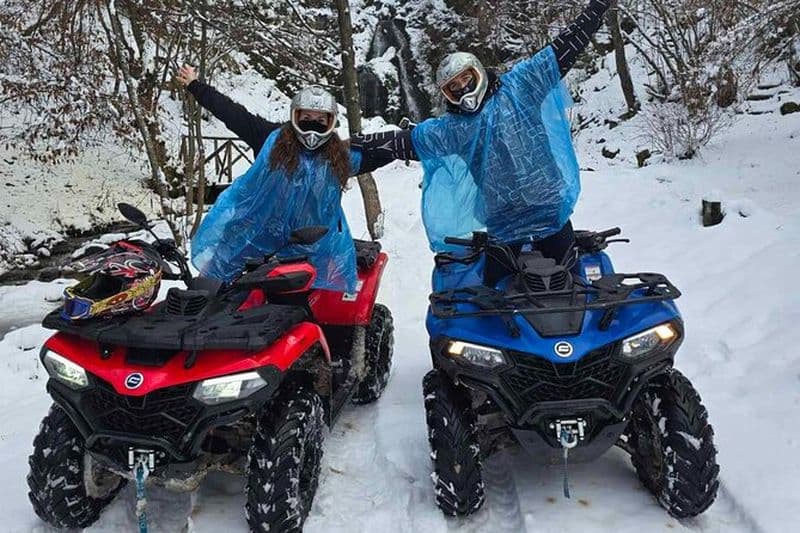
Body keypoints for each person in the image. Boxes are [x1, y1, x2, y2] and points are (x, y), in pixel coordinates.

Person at [351, 0, 613, 282]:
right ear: (446, 95)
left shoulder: (520, 86)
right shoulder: (452, 128)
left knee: (573, 294)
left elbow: (562, 50)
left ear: (478, 72)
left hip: (549, 211)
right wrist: (345, 150)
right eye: (453, 87)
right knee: (493, 305)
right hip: (503, 223)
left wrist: (596, 9)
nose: (463, 89)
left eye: (466, 79)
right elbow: (399, 143)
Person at [176, 66, 392, 292]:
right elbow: (233, 114)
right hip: (256, 234)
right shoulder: (271, 140)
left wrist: (414, 142)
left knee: (315, 310)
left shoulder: (339, 156)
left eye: (320, 120)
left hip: (310, 246)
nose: (312, 124)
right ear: (295, 116)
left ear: (330, 123)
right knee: (208, 292)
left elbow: (381, 153)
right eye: (306, 117)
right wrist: (195, 86)